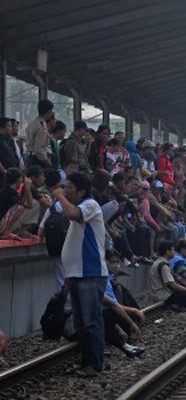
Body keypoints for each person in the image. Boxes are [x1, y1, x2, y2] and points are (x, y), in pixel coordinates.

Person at [52, 172, 108, 377]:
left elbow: (74, 214)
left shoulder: (90, 205)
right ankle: (87, 362)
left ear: (81, 191)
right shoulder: (80, 206)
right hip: (77, 274)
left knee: (91, 321)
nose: (66, 191)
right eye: (65, 188)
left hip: (90, 274)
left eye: (70, 188)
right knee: (81, 323)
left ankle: (95, 364)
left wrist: (59, 196)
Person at [149, 240, 186, 312]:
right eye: (173, 249)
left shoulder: (159, 262)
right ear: (167, 251)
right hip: (163, 295)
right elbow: (172, 284)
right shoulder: (163, 265)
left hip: (159, 292)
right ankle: (184, 308)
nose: (174, 252)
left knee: (185, 291)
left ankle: (178, 306)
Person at [0, 168, 33, 240]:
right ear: (18, 179)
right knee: (19, 208)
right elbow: (30, 205)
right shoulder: (11, 193)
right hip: (1, 224)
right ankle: (5, 232)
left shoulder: (5, 190)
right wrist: (27, 188)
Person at [25, 99, 54, 169]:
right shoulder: (41, 125)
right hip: (38, 160)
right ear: (48, 111)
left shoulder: (32, 123)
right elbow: (38, 149)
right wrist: (47, 161)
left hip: (30, 157)